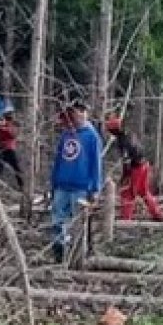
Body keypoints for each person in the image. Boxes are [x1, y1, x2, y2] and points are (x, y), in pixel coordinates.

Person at [49, 101, 102, 262]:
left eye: (79, 112)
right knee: (58, 219)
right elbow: (59, 159)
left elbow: (96, 163)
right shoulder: (67, 134)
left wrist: (95, 187)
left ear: (84, 113)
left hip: (81, 186)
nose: (76, 116)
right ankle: (58, 251)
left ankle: (77, 254)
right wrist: (53, 181)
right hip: (62, 184)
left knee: (77, 221)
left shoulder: (91, 136)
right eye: (73, 112)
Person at [105, 116, 163, 222]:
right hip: (144, 165)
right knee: (144, 192)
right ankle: (157, 214)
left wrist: (125, 176)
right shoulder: (130, 135)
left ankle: (126, 220)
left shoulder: (123, 141)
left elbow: (126, 160)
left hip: (136, 168)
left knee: (128, 193)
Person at [0, 109, 24, 189]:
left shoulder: (12, 126)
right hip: (2, 149)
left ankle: (21, 185)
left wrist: (3, 127)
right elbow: (1, 134)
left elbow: (12, 135)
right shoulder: (3, 125)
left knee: (15, 167)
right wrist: (2, 126)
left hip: (9, 149)